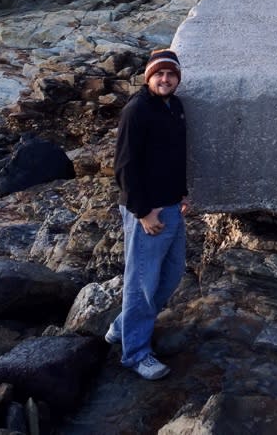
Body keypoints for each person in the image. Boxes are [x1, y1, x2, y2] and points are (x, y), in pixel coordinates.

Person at [105, 48, 190, 380]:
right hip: (147, 212)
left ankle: (121, 326)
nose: (165, 79)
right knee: (142, 284)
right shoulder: (136, 110)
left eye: (171, 74)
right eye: (159, 74)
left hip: (171, 205)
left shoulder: (175, 107)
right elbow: (124, 166)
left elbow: (174, 155)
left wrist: (181, 193)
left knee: (172, 273)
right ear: (148, 78)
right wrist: (142, 213)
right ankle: (136, 354)